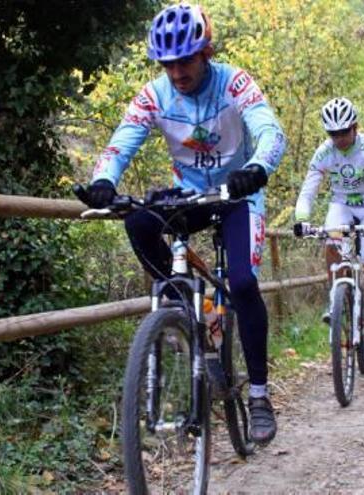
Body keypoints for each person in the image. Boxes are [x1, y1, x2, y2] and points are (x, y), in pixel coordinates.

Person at [79, 3, 286, 445]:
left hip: (237, 195)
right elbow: (123, 139)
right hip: (189, 195)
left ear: (206, 52)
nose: (176, 72)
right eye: (167, 63)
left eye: (185, 60)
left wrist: (257, 166)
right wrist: (103, 180)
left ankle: (260, 396)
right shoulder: (154, 95)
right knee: (137, 222)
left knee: (245, 285)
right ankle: (189, 312)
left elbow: (271, 130)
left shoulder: (234, 82)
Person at [294, 97, 364, 344]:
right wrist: (301, 218)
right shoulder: (324, 152)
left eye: (344, 132)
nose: (339, 138)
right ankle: (336, 301)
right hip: (341, 205)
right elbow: (308, 189)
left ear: (355, 127)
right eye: (333, 134)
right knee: (331, 242)